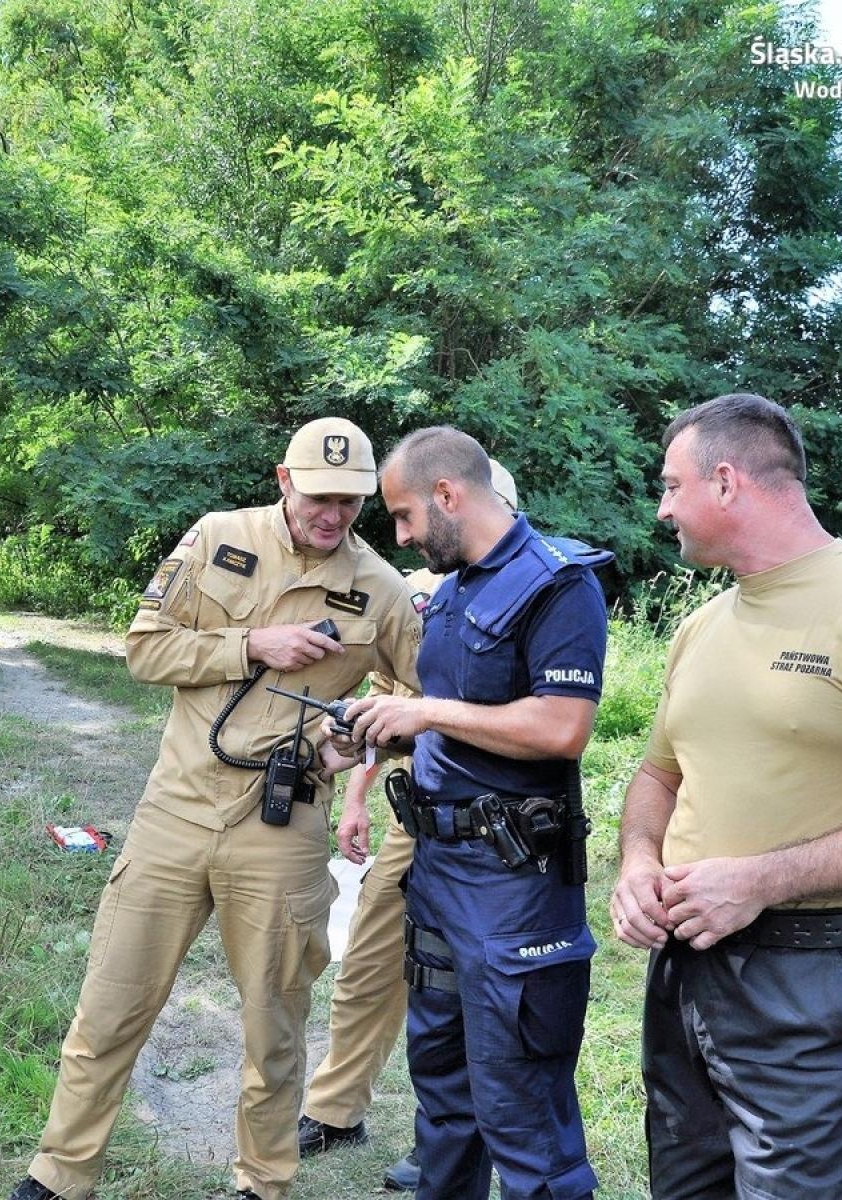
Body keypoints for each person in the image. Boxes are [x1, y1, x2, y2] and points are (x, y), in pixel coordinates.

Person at [8, 418, 422, 1200]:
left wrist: (363, 741)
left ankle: (263, 1183)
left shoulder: (382, 588)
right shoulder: (217, 539)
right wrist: (251, 646)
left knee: (274, 1029)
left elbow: (430, 702)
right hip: (176, 812)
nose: (333, 515)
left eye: (351, 501)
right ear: (282, 479)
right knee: (110, 1008)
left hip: (284, 825)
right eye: (318, 496)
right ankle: (60, 1175)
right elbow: (145, 648)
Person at [609, 393, 842, 1199]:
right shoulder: (701, 625)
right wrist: (639, 860)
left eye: (671, 485)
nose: (661, 508)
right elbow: (658, 775)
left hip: (818, 986)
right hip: (687, 970)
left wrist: (755, 880)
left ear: (725, 481)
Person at [335, 425, 607, 1200]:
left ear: (447, 495)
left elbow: (562, 727)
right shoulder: (450, 593)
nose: (402, 535)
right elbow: (449, 726)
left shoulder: (556, 582)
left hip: (514, 886)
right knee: (446, 1097)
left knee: (520, 1106)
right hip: (438, 873)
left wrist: (427, 715)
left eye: (405, 517)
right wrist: (375, 735)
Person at [299, 462, 519, 1194]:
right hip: (418, 818)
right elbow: (387, 704)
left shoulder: (530, 604)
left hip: (495, 836)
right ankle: (336, 1109)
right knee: (367, 964)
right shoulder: (430, 600)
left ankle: (449, 1141)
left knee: (471, 1000)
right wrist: (358, 795)